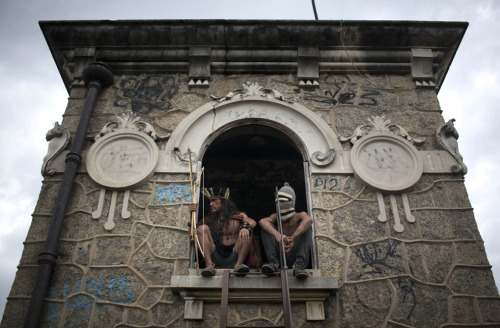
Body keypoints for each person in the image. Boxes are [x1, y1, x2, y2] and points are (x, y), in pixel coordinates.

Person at [190, 187, 256, 277]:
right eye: (210, 201)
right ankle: (209, 265)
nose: (210, 204)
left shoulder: (238, 216)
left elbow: (252, 222)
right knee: (201, 228)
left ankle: (239, 265)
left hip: (235, 255)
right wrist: (192, 214)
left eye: (214, 201)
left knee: (249, 230)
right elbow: (192, 234)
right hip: (216, 256)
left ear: (223, 202)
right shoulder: (210, 219)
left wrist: (245, 227)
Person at [259, 182, 313, 279]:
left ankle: (299, 264)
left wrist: (293, 238)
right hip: (281, 255)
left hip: (296, 253)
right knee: (266, 227)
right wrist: (277, 235)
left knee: (307, 227)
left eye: (283, 201)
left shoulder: (299, 215)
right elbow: (262, 221)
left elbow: (308, 220)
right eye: (278, 201)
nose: (280, 204)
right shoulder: (275, 217)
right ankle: (273, 262)